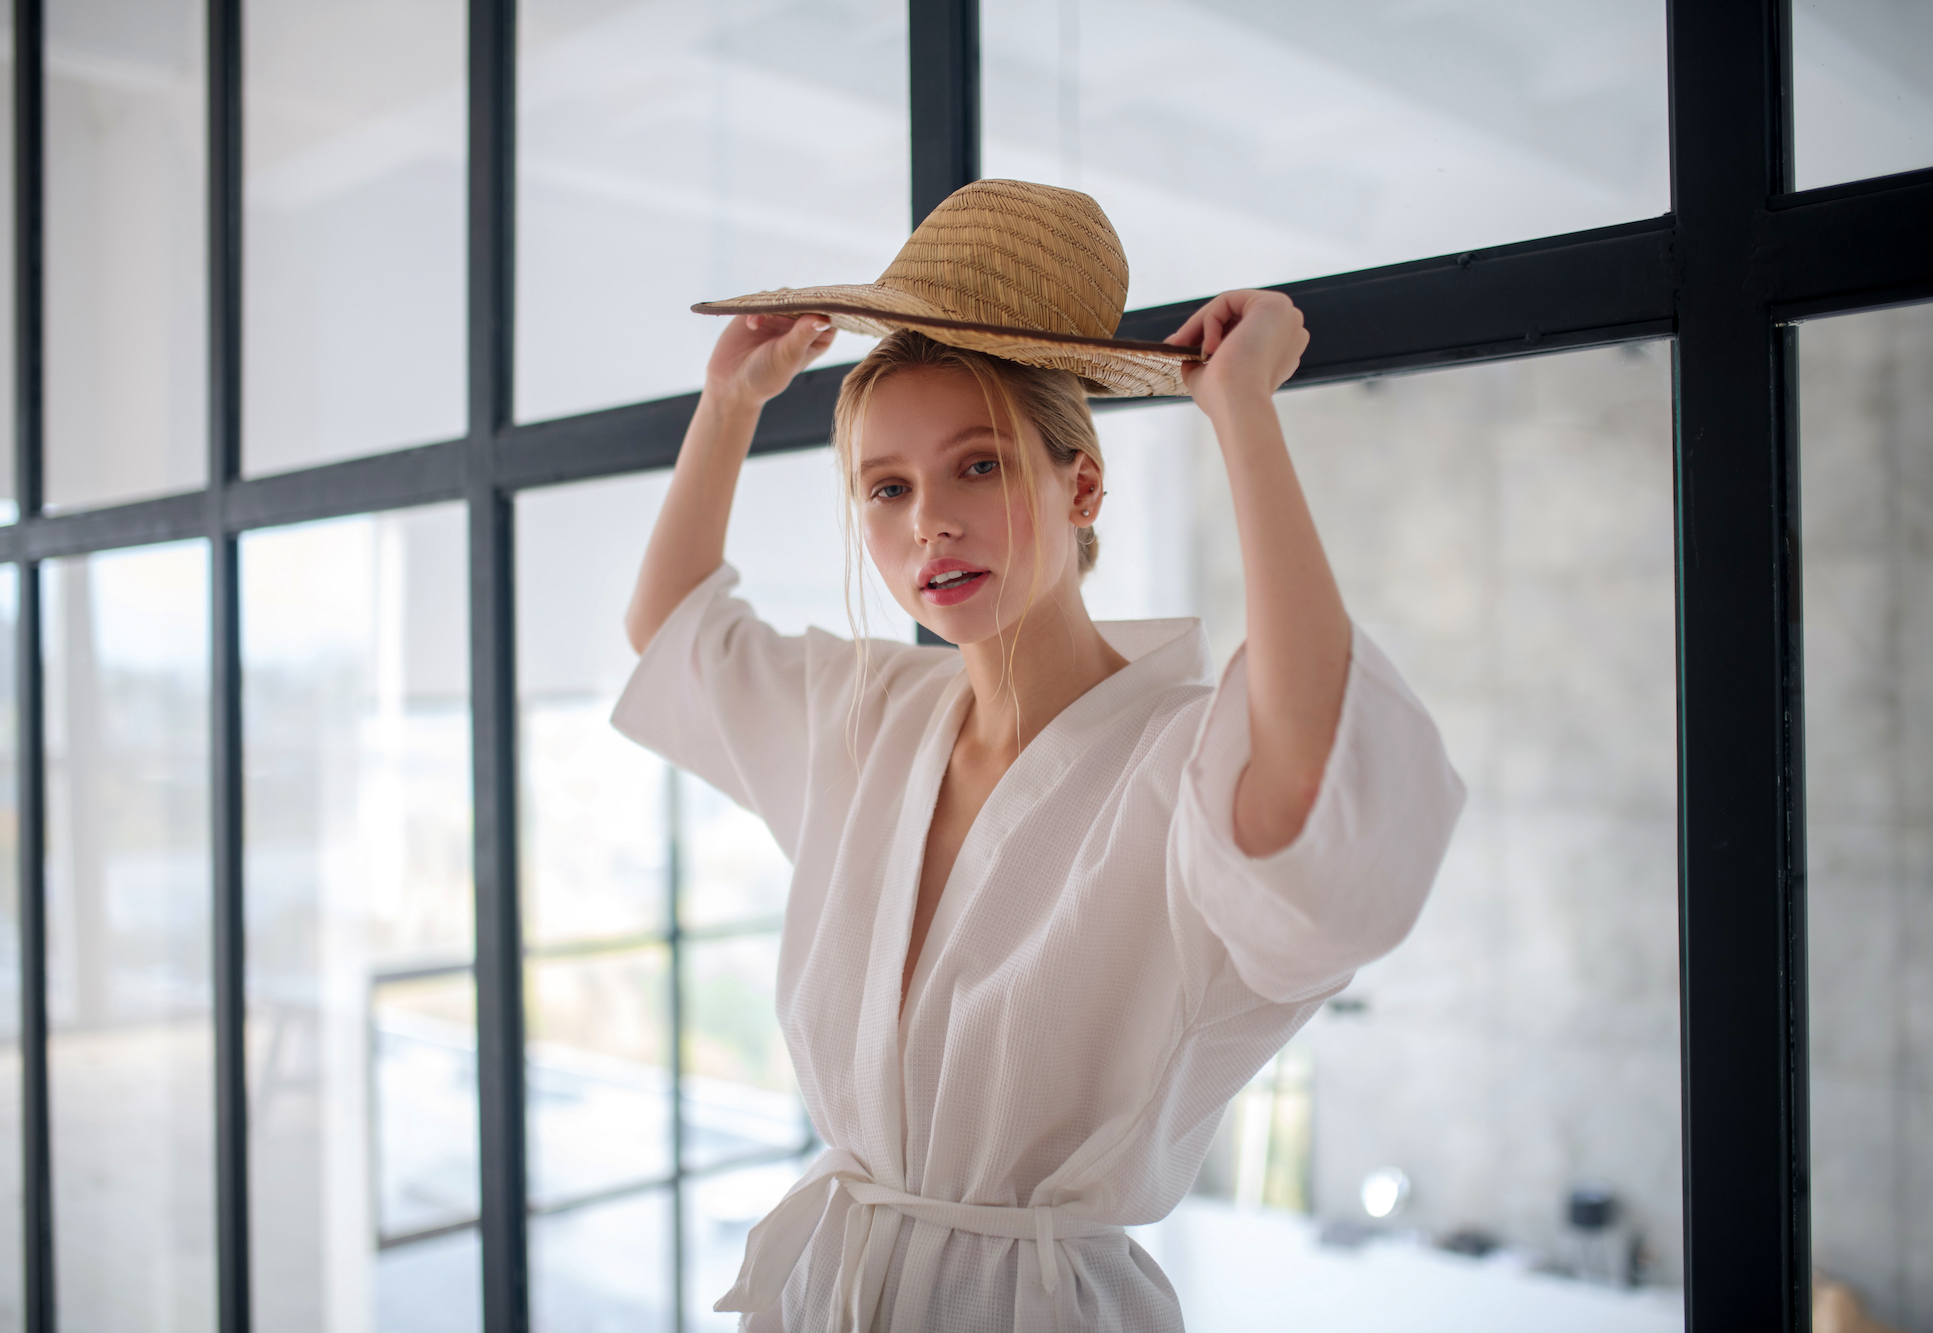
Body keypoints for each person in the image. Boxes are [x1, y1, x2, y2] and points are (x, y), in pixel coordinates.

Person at [616, 179, 1464, 1333]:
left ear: (1081, 484)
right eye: (887, 488)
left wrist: (1241, 412)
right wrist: (729, 404)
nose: (930, 525)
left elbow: (1311, 782)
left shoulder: (1177, 761)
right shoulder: (869, 716)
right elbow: (674, 629)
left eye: (978, 466)